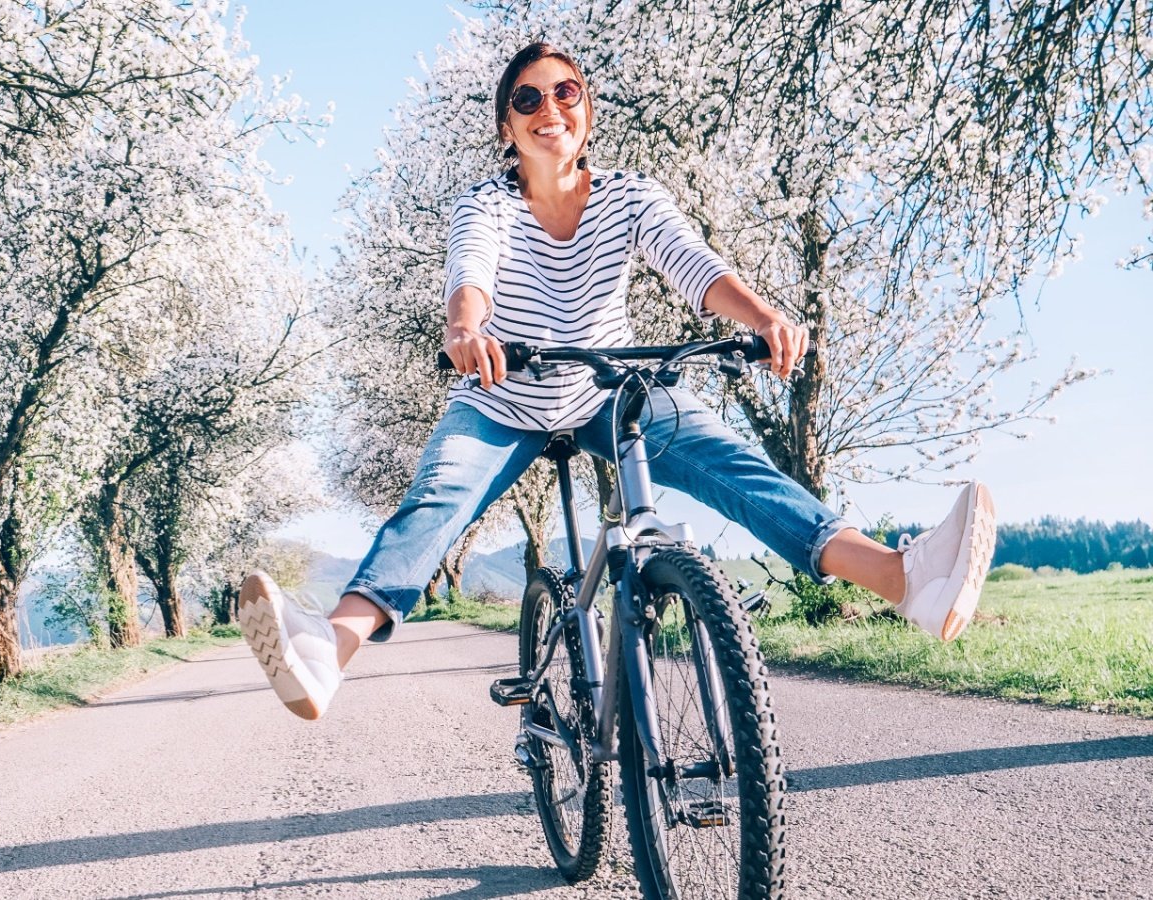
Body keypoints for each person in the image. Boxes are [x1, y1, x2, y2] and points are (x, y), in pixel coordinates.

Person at [238, 42, 996, 721]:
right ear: (508, 127)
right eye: (527, 99)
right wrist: (466, 331)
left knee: (736, 467)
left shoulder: (631, 196)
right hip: (505, 398)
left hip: (610, 389)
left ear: (587, 113)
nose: (548, 109)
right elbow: (470, 276)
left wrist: (763, 317)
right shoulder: (488, 204)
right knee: (436, 500)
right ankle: (327, 652)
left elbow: (692, 263)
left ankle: (903, 580)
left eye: (565, 92)